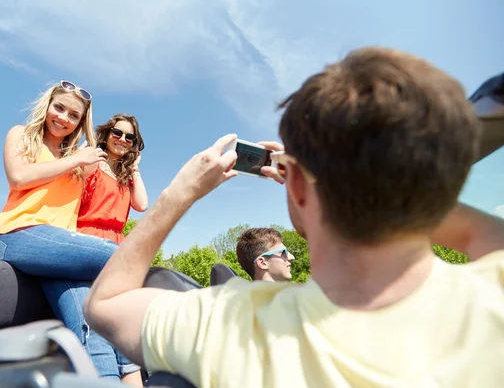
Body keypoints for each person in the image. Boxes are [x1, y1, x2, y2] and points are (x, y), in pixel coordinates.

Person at [83, 47, 504, 387]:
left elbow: (105, 304)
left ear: (296, 185)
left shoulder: (234, 324)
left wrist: (180, 193)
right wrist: (395, 184)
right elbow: (483, 237)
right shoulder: (493, 293)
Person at [0, 81, 127, 381]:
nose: (63, 117)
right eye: (59, 108)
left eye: (74, 115)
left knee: (92, 325)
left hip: (57, 253)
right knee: (121, 257)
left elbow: (112, 183)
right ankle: (135, 362)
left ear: (80, 122)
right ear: (47, 106)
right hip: (14, 235)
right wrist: (75, 160)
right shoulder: (21, 135)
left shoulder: (79, 160)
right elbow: (18, 177)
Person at [45, 114, 148, 386]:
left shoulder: (126, 175)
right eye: (117, 132)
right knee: (97, 323)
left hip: (117, 246)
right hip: (87, 241)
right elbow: (72, 188)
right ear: (107, 133)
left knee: (124, 328)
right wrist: (87, 158)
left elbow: (142, 204)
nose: (122, 140)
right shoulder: (91, 160)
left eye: (130, 137)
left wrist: (135, 167)